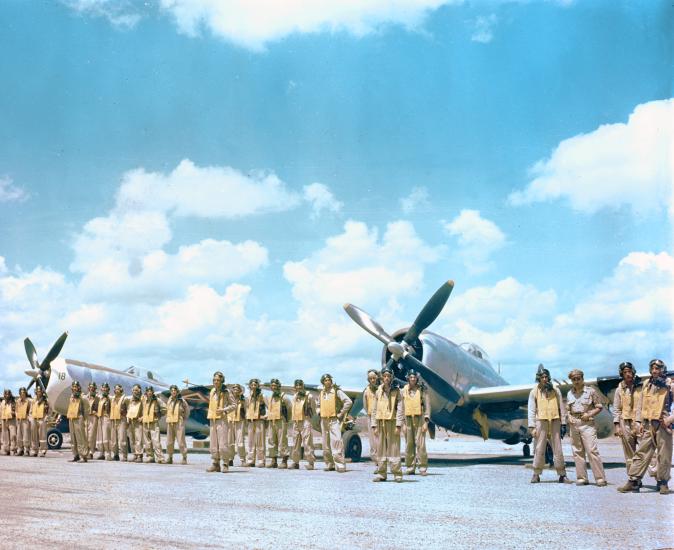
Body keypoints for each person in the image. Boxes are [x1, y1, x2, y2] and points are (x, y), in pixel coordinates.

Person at [618, 359, 673, 495]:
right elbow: (640, 405)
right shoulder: (646, 384)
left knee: (664, 455)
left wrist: (670, 419)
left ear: (663, 370)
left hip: (662, 424)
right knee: (641, 453)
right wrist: (638, 422)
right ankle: (634, 481)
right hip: (648, 424)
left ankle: (663, 483)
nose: (655, 371)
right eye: (653, 368)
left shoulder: (670, 385)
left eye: (658, 368)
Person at [527, 365, 571, 483]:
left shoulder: (556, 390)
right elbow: (531, 410)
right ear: (539, 378)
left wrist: (563, 424)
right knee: (539, 448)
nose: (545, 379)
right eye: (542, 377)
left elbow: (561, 407)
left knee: (558, 448)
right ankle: (536, 474)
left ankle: (562, 474)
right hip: (541, 422)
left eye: (546, 377)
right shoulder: (534, 392)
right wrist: (532, 427)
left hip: (555, 421)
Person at [565, 369, 607, 486]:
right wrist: (569, 417)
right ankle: (582, 477)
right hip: (574, 424)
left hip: (587, 424)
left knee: (592, 450)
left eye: (578, 378)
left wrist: (589, 414)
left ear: (582, 379)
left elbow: (599, 407)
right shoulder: (569, 394)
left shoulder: (591, 391)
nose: (576, 381)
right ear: (572, 381)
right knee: (577, 452)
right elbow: (568, 409)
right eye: (574, 379)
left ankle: (600, 478)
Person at [371, 367, 404, 482]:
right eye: (384, 376)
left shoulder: (397, 391)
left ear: (391, 377)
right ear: (381, 377)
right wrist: (374, 425)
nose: (386, 378)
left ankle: (397, 473)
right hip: (381, 422)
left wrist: (398, 425)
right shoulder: (378, 391)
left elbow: (400, 409)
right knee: (380, 449)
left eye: (388, 376)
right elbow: (374, 409)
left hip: (392, 421)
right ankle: (381, 473)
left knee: (394, 448)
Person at [318, 373, 352, 473]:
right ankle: (329, 464)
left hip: (333, 420)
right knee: (325, 444)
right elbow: (318, 404)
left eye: (329, 380)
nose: (327, 381)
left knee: (337, 442)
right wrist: (319, 411)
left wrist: (341, 413)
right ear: (323, 382)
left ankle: (340, 465)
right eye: (325, 380)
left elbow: (348, 402)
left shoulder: (337, 391)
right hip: (324, 420)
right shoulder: (322, 393)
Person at [612, 362, 641, 473]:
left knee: (648, 451)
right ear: (622, 374)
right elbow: (616, 408)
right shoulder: (620, 389)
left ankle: (659, 479)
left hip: (640, 422)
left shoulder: (642, 386)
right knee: (629, 454)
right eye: (625, 372)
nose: (628, 374)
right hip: (625, 423)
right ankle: (633, 479)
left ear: (633, 372)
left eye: (629, 371)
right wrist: (617, 426)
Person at [401, 370, 431, 476]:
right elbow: (401, 407)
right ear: (408, 378)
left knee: (421, 444)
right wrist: (402, 424)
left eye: (414, 377)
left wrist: (426, 422)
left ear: (417, 378)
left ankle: (422, 467)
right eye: (411, 377)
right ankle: (410, 467)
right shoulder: (403, 390)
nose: (413, 379)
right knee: (409, 444)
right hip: (408, 420)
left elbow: (427, 406)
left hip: (419, 419)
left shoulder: (422, 390)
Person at [207, 371, 234, 472]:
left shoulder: (226, 392)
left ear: (222, 380)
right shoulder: (212, 391)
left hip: (222, 419)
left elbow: (234, 405)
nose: (216, 382)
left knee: (223, 443)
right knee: (213, 443)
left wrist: (223, 409)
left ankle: (225, 463)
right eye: (214, 380)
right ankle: (215, 463)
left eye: (218, 380)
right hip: (212, 418)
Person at [289, 379, 316, 470]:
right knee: (295, 443)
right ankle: (295, 462)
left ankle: (310, 462)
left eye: (300, 386)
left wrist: (308, 419)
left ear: (303, 386)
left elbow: (313, 409)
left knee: (307, 442)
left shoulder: (309, 396)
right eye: (297, 386)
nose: (298, 388)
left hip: (305, 421)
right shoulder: (294, 396)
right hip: (296, 421)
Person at [265, 378, 291, 469]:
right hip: (272, 421)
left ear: (279, 386)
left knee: (282, 441)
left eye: (275, 385)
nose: (273, 387)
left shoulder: (284, 397)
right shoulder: (270, 397)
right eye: (272, 386)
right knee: (271, 440)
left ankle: (284, 460)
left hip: (281, 421)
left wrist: (286, 420)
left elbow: (289, 409)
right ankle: (273, 460)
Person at [165, 384, 190, 465]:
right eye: (171, 391)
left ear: (177, 391)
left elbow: (187, 410)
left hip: (179, 422)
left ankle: (184, 457)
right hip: (170, 422)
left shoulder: (182, 401)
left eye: (174, 390)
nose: (173, 392)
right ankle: (170, 457)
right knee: (169, 441)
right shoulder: (169, 400)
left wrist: (183, 419)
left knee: (181, 441)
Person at [245, 378, 266, 468]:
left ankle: (261, 460)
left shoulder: (262, 396)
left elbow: (269, 407)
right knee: (250, 442)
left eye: (255, 385)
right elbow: (246, 407)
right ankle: (250, 460)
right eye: (252, 385)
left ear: (258, 386)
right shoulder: (248, 396)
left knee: (260, 442)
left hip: (259, 421)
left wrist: (265, 416)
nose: (253, 386)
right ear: (249, 386)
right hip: (250, 421)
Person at [66, 381, 89, 462]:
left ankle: (84, 455)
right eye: (73, 387)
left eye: (76, 386)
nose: (75, 388)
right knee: (73, 438)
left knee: (81, 438)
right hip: (71, 418)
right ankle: (75, 455)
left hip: (79, 418)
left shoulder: (83, 397)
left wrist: (84, 420)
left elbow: (86, 410)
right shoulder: (71, 397)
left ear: (79, 388)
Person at [142, 386, 165, 464]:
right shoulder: (144, 400)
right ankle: (150, 456)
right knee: (147, 442)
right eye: (148, 391)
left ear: (152, 392)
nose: (149, 392)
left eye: (150, 391)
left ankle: (160, 458)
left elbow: (165, 409)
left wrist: (159, 415)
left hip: (154, 423)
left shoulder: (157, 400)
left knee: (156, 441)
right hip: (145, 423)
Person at [362, 369, 380, 468]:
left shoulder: (381, 389)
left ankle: (383, 459)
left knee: (381, 439)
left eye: (374, 378)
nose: (372, 380)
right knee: (373, 440)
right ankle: (376, 460)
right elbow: (365, 406)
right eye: (370, 378)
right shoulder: (366, 391)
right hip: (370, 417)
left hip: (381, 416)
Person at [227, 384, 246, 466]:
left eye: (237, 389)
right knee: (230, 442)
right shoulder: (228, 399)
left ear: (240, 391)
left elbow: (247, 409)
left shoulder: (243, 400)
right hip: (230, 420)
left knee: (240, 442)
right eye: (234, 389)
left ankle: (242, 459)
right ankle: (230, 459)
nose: (236, 390)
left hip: (240, 421)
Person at [110, 384, 129, 461]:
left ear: (121, 390)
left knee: (122, 439)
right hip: (113, 420)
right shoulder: (112, 398)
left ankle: (124, 455)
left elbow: (129, 409)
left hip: (122, 420)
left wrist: (127, 420)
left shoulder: (125, 399)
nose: (117, 390)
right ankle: (115, 455)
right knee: (114, 440)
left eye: (118, 389)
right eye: (115, 389)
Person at [126, 384, 144, 462]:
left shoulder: (143, 400)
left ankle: (139, 455)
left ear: (139, 391)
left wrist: (142, 418)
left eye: (136, 390)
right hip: (131, 422)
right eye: (133, 390)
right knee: (132, 439)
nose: (134, 392)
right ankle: (134, 454)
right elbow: (129, 409)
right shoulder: (131, 400)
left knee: (138, 439)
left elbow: (146, 411)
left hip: (138, 422)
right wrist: (127, 418)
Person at [30, 386, 50, 457]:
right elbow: (31, 410)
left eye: (40, 391)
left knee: (42, 436)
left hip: (42, 419)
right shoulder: (33, 400)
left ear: (42, 392)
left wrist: (46, 418)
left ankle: (43, 450)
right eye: (37, 391)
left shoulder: (45, 400)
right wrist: (31, 418)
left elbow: (49, 411)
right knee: (34, 436)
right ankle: (34, 450)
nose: (39, 392)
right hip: (34, 419)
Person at [96, 383, 113, 460]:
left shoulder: (110, 398)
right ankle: (101, 452)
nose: (104, 389)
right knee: (100, 437)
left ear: (108, 389)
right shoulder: (100, 398)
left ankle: (108, 453)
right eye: (103, 388)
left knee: (106, 436)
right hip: (100, 418)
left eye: (106, 388)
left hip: (107, 418)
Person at [14, 387, 32, 457]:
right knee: (19, 435)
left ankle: (26, 450)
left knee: (26, 436)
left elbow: (31, 410)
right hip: (19, 420)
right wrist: (16, 415)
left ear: (25, 393)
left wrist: (28, 417)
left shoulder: (29, 401)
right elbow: (16, 410)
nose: (22, 394)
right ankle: (20, 450)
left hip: (25, 420)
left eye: (23, 393)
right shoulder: (18, 401)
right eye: (21, 393)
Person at [84, 382, 99, 460]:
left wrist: (96, 413)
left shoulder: (97, 398)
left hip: (93, 417)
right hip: (86, 417)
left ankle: (91, 452)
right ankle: (86, 451)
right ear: (88, 388)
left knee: (91, 436)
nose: (92, 388)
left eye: (93, 387)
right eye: (90, 387)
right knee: (85, 435)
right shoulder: (85, 397)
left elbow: (101, 408)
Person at [1, 389, 17, 455]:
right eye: (6, 394)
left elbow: (17, 411)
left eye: (8, 394)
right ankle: (6, 449)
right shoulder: (2, 402)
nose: (7, 395)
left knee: (13, 435)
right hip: (4, 420)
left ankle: (13, 449)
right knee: (5, 436)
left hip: (12, 420)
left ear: (10, 394)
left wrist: (14, 413)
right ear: (4, 395)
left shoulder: (13, 402)